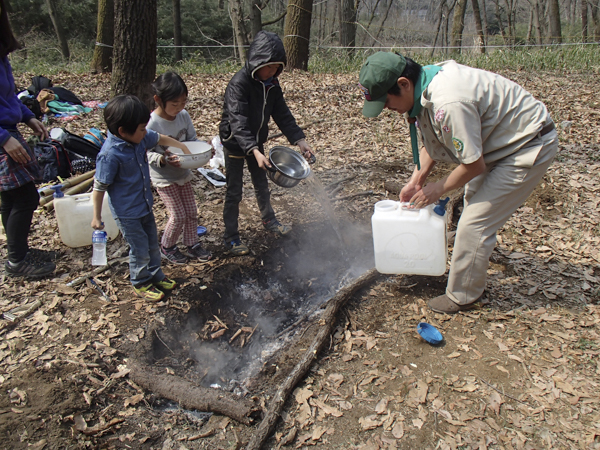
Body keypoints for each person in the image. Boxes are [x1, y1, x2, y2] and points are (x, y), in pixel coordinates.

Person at [359, 52, 558, 314]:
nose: (387, 108)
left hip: (526, 144)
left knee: (475, 223)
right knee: (472, 204)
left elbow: (473, 165)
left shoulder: (448, 101)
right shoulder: (424, 84)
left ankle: (463, 296)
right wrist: (416, 180)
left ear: (403, 83)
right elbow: (436, 137)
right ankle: (471, 253)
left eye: (386, 101)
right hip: (496, 142)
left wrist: (437, 188)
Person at [219, 30, 314, 256]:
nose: (273, 72)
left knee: (262, 185)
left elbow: (282, 114)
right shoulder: (239, 84)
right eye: (269, 67)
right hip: (236, 144)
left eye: (276, 68)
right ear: (256, 62)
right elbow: (238, 121)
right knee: (234, 192)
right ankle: (231, 237)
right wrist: (253, 150)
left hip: (257, 144)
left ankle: (269, 219)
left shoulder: (272, 84)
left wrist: (300, 140)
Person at [91, 95, 192, 302]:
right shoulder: (110, 155)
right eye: (141, 129)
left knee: (152, 244)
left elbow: (159, 138)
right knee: (139, 249)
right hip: (127, 213)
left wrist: (181, 147)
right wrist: (96, 216)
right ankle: (141, 282)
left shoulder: (139, 137)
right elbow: (99, 187)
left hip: (145, 205)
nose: (145, 132)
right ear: (122, 131)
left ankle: (156, 275)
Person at [1, 0, 56, 279]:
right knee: (25, 197)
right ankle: (16, 261)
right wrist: (3, 138)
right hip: (2, 136)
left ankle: (18, 253)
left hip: (9, 128)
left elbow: (9, 96)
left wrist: (27, 116)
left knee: (11, 196)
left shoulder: (1, 55)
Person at [147, 72, 212, 265]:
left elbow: (191, 141)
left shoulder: (183, 116)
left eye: (183, 102)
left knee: (191, 211)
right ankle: (167, 247)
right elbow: (145, 152)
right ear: (158, 100)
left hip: (183, 171)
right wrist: (163, 160)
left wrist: (204, 149)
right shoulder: (152, 124)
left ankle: (192, 243)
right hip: (164, 176)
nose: (179, 108)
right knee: (178, 215)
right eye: (174, 104)